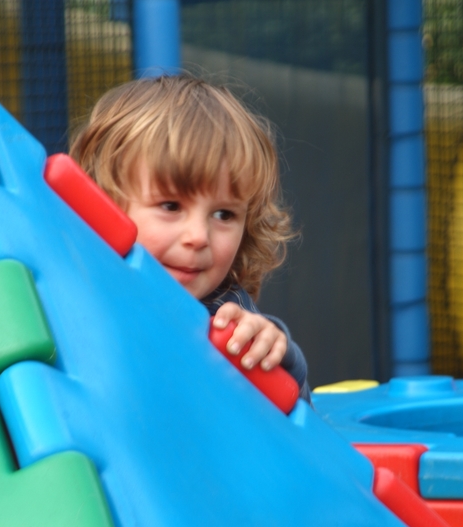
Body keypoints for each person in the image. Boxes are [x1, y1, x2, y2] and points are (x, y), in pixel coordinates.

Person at [71, 75, 311, 400]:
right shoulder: (75, 282)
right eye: (170, 206)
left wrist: (275, 353)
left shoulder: (224, 314)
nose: (198, 237)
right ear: (103, 204)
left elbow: (295, 430)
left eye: (224, 214)